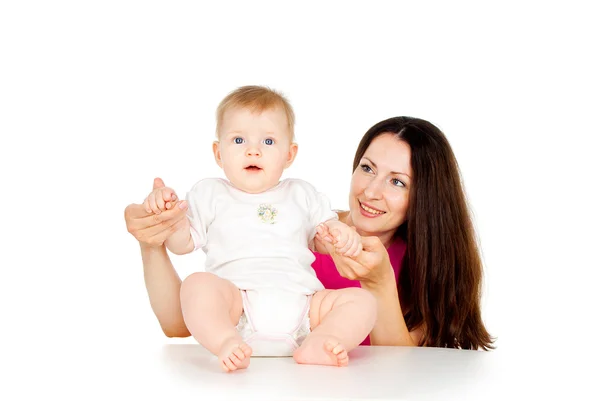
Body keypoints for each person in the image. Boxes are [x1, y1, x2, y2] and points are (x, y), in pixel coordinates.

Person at [125, 115, 495, 353]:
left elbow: (399, 368)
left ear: (425, 197)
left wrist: (379, 282)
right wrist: (151, 241)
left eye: (397, 181)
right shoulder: (300, 226)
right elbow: (177, 324)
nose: (370, 191)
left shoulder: (430, 265)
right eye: (367, 168)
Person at [139, 85, 378, 372]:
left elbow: (325, 237)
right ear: (218, 153)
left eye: (268, 141)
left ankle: (323, 341)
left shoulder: (302, 194)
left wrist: (341, 236)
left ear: (289, 155)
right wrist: (170, 216)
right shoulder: (210, 193)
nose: (253, 150)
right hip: (236, 306)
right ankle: (225, 341)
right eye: (238, 140)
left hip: (305, 310)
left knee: (362, 301)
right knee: (197, 285)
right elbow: (181, 244)